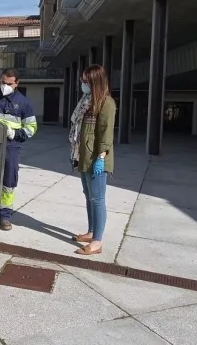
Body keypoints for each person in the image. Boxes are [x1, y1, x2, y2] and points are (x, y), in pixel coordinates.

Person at [0, 68, 37, 231]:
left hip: (11, 145)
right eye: (2, 82)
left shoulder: (24, 103)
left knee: (8, 181)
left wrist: (15, 134)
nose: (5, 86)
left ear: (17, 83)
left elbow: (31, 128)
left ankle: (4, 214)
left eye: (9, 84)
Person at [69, 64, 116, 256]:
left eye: (86, 81)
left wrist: (101, 157)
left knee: (97, 199)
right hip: (83, 156)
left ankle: (97, 242)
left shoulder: (106, 103)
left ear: (96, 82)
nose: (83, 84)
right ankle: (91, 232)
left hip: (96, 158)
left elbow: (106, 133)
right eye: (82, 80)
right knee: (89, 196)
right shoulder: (86, 102)